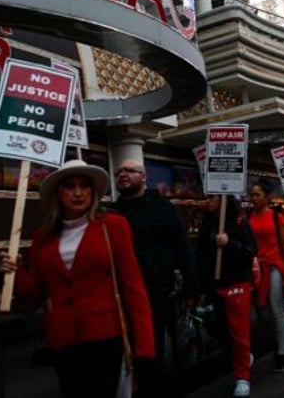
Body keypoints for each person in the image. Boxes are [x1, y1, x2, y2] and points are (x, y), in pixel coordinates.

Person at [0, 159, 154, 397]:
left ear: (93, 191)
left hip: (105, 338)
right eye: (70, 186)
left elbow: (134, 287)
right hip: (62, 340)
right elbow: (33, 294)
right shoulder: (43, 237)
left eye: (85, 186)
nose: (79, 193)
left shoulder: (113, 226)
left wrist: (144, 347)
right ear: (58, 193)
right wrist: (16, 271)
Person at [112, 158, 199, 397]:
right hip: (120, 297)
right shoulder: (112, 212)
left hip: (156, 293)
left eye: (130, 170)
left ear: (144, 177)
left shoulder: (163, 208)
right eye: (119, 171)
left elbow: (182, 248)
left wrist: (192, 289)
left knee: (151, 354)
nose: (123, 174)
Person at [196, 195, 257, 398]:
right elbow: (201, 256)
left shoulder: (240, 222)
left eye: (212, 198)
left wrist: (229, 243)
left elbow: (250, 252)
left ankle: (242, 376)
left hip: (237, 283)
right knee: (220, 331)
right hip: (215, 286)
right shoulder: (206, 225)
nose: (208, 202)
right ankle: (241, 358)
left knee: (239, 332)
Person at [247, 182, 284, 373]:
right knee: (263, 312)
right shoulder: (248, 218)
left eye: (257, 194)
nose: (253, 198)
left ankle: (282, 352)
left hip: (275, 265)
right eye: (251, 195)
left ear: (266, 197)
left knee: (276, 307)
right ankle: (278, 341)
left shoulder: (277, 217)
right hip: (257, 269)